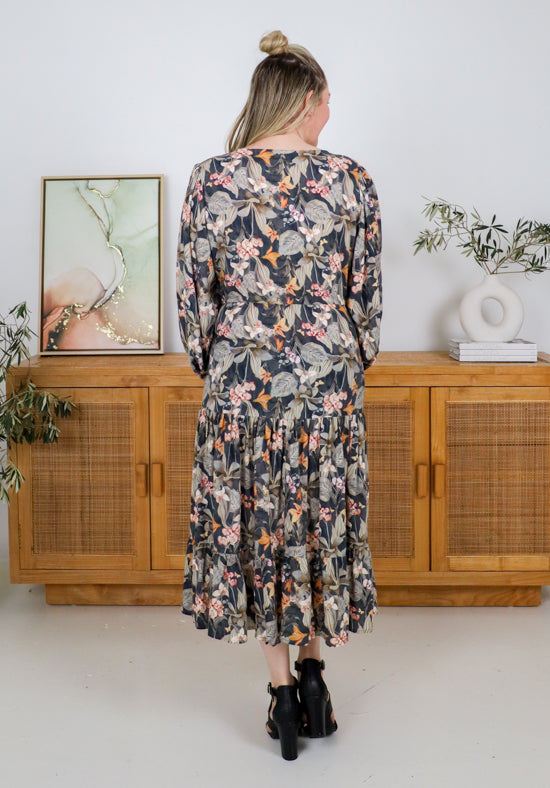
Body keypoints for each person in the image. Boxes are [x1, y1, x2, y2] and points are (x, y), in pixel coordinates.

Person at [177, 29, 382, 760]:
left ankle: (282, 694)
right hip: (327, 389)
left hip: (241, 390)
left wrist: (221, 367)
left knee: (259, 528)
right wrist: (345, 363)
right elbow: (365, 303)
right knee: (317, 520)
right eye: (326, 101)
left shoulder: (209, 179)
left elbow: (194, 305)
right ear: (304, 101)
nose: (330, 114)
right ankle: (317, 677)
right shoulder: (351, 181)